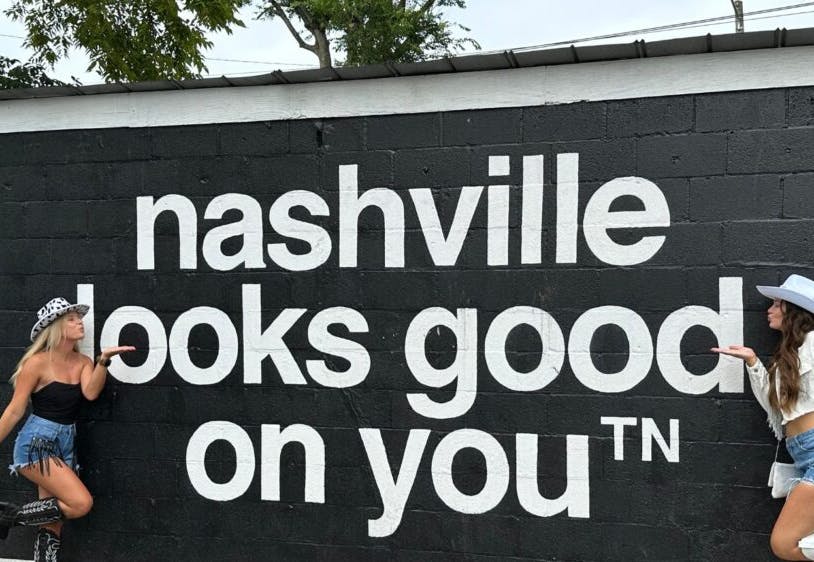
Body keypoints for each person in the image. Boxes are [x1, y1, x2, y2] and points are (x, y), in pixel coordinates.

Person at [0, 297, 134, 561]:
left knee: (51, 520)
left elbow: (91, 392)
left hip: (65, 444)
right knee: (80, 503)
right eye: (71, 319)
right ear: (57, 327)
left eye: (79, 318)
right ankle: (8, 517)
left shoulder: (84, 362)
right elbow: (15, 410)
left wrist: (103, 361)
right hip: (36, 444)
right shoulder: (37, 363)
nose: (79, 322)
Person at [713, 274, 814, 561]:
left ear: (794, 312)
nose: (769, 309)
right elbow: (775, 409)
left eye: (777, 304)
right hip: (803, 454)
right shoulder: (789, 356)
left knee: (785, 544)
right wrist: (753, 362)